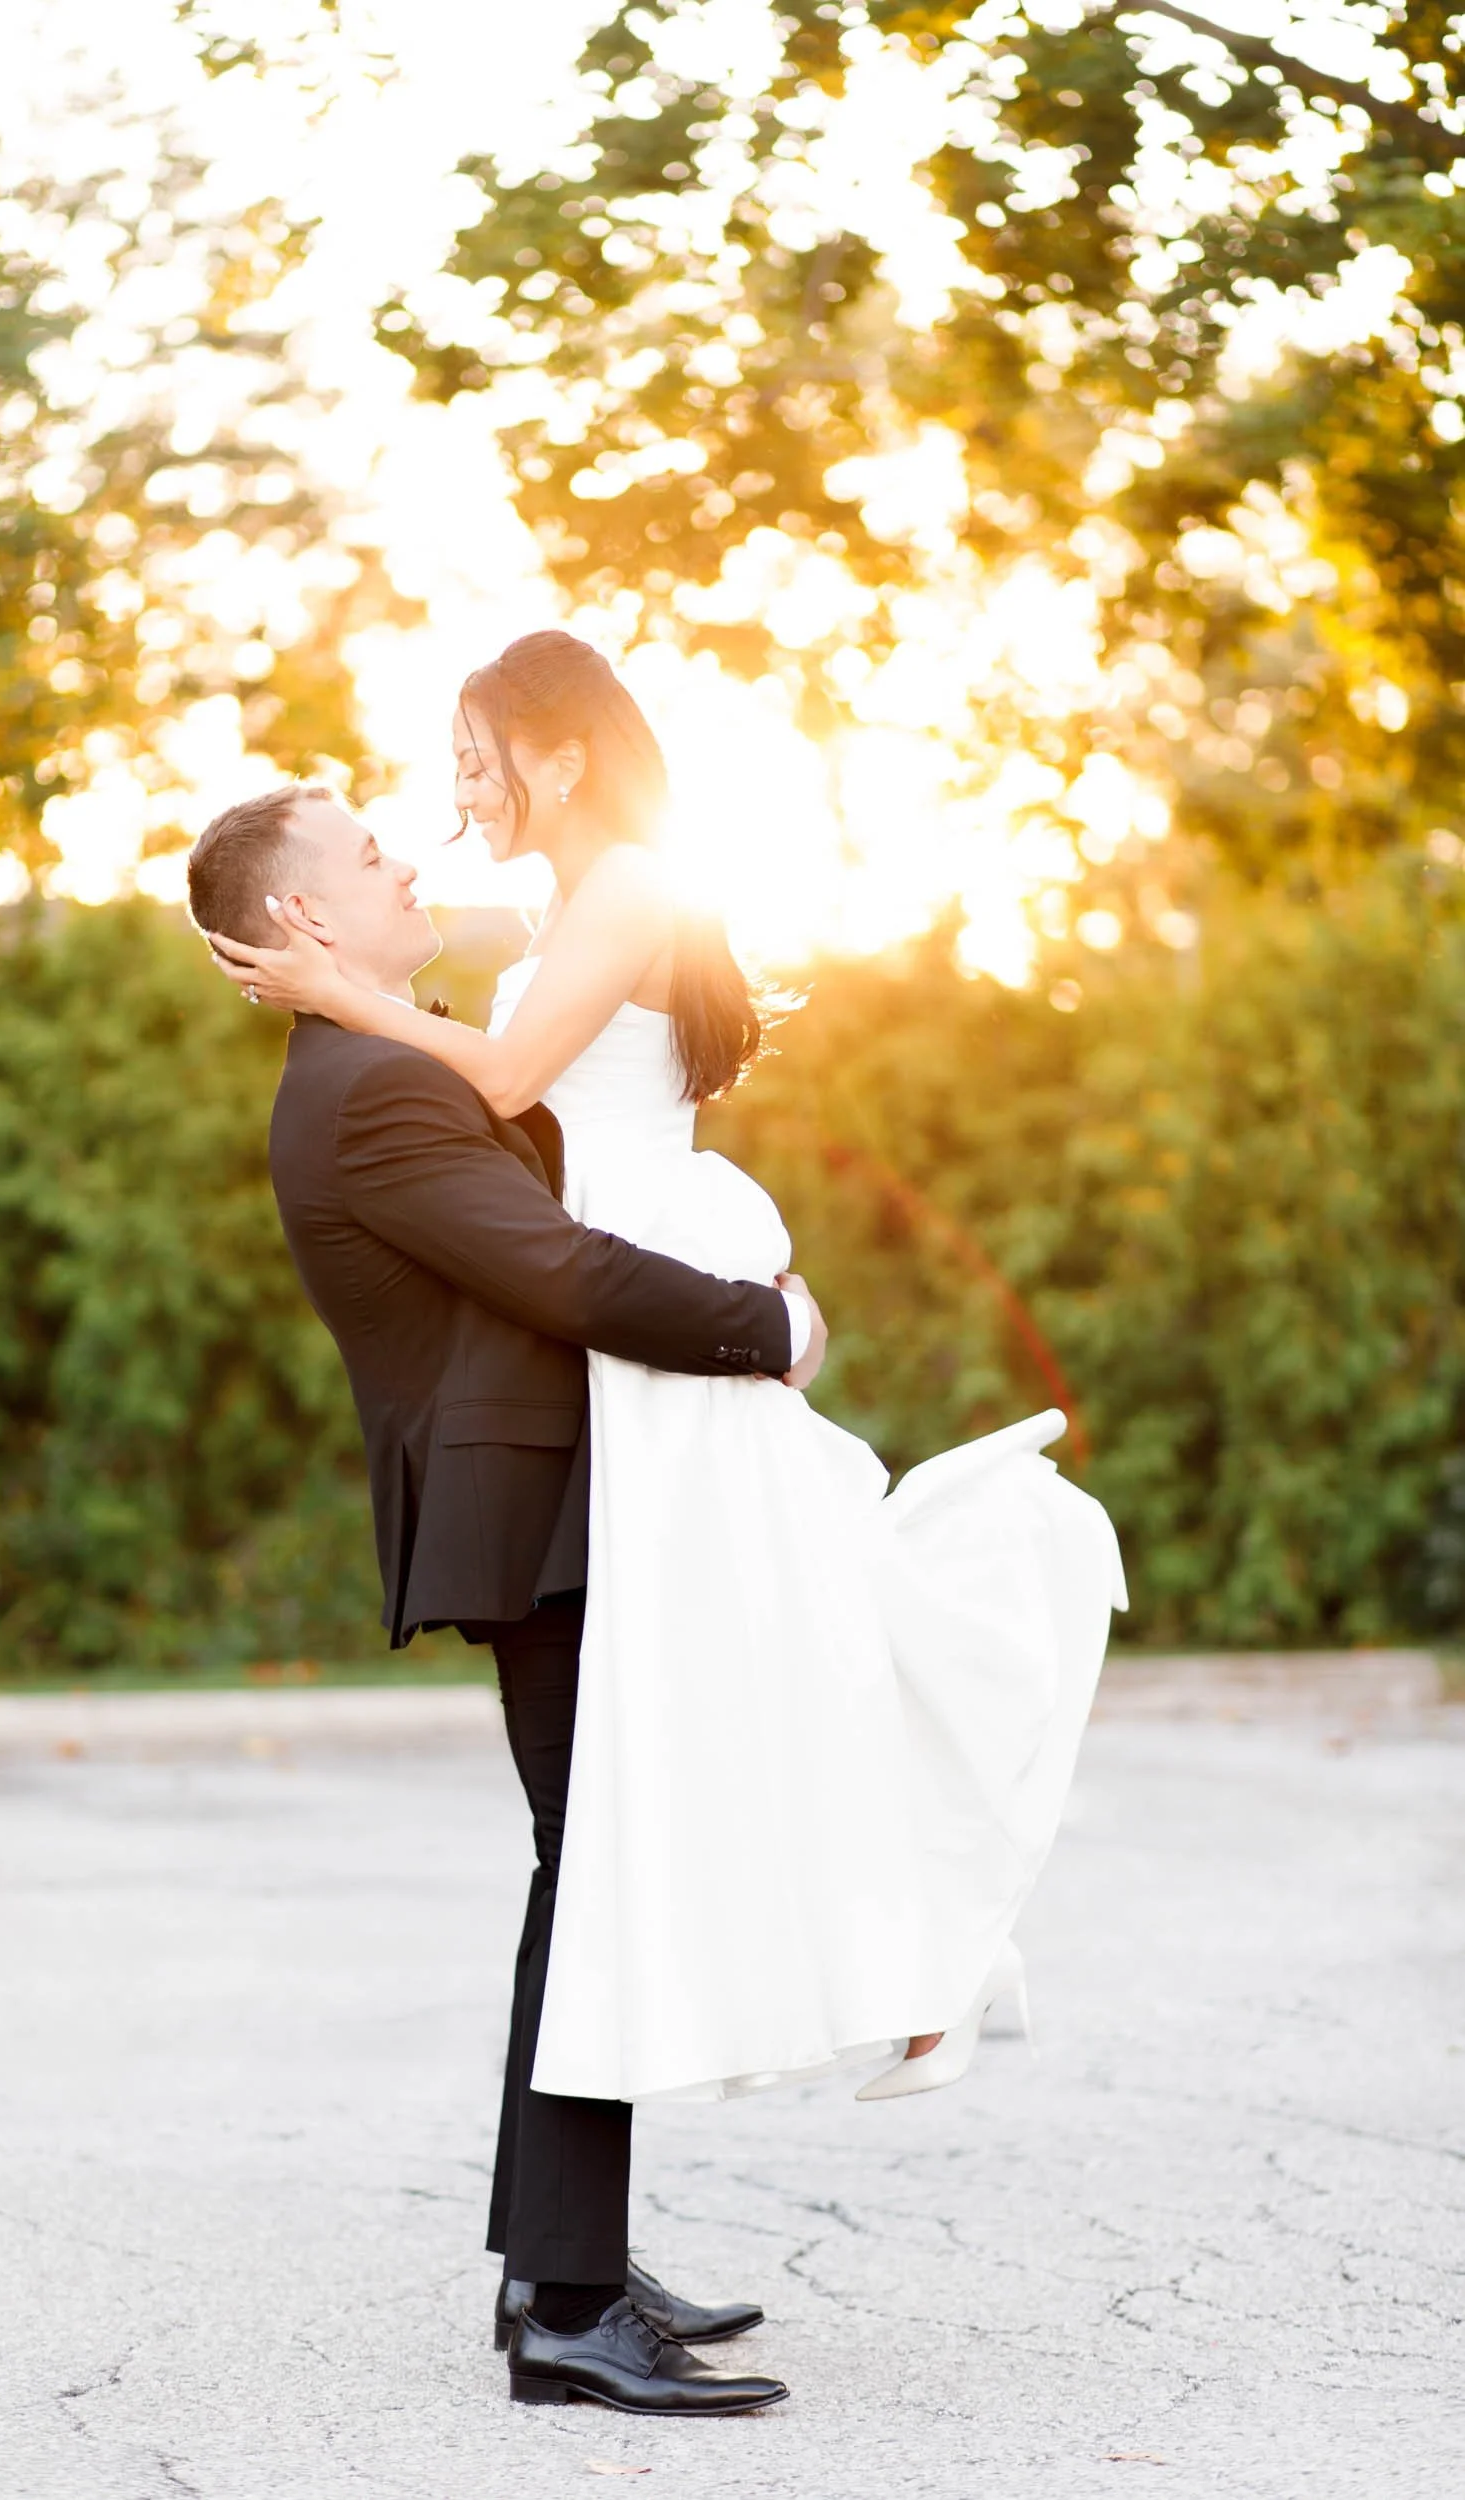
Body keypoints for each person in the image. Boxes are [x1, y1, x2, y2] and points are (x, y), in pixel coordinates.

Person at [206, 631, 1127, 2129]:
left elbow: (504, 1092)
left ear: (562, 756)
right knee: (748, 1679)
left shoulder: (633, 879)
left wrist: (333, 989)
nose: (456, 792)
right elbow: (496, 1103)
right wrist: (351, 990)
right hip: (609, 1295)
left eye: (475, 757)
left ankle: (921, 1960)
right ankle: (887, 1978)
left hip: (646, 1274)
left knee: (780, 1657)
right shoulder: (570, 906)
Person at [186, 784, 801, 2417]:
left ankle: (558, 2263)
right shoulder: (370, 1094)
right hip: (534, 1516)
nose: (407, 860)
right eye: (371, 857)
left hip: (554, 1507)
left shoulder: (379, 1059)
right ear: (307, 919)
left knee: (585, 1866)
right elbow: (562, 1274)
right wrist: (769, 1327)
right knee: (592, 1874)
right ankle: (568, 2312)